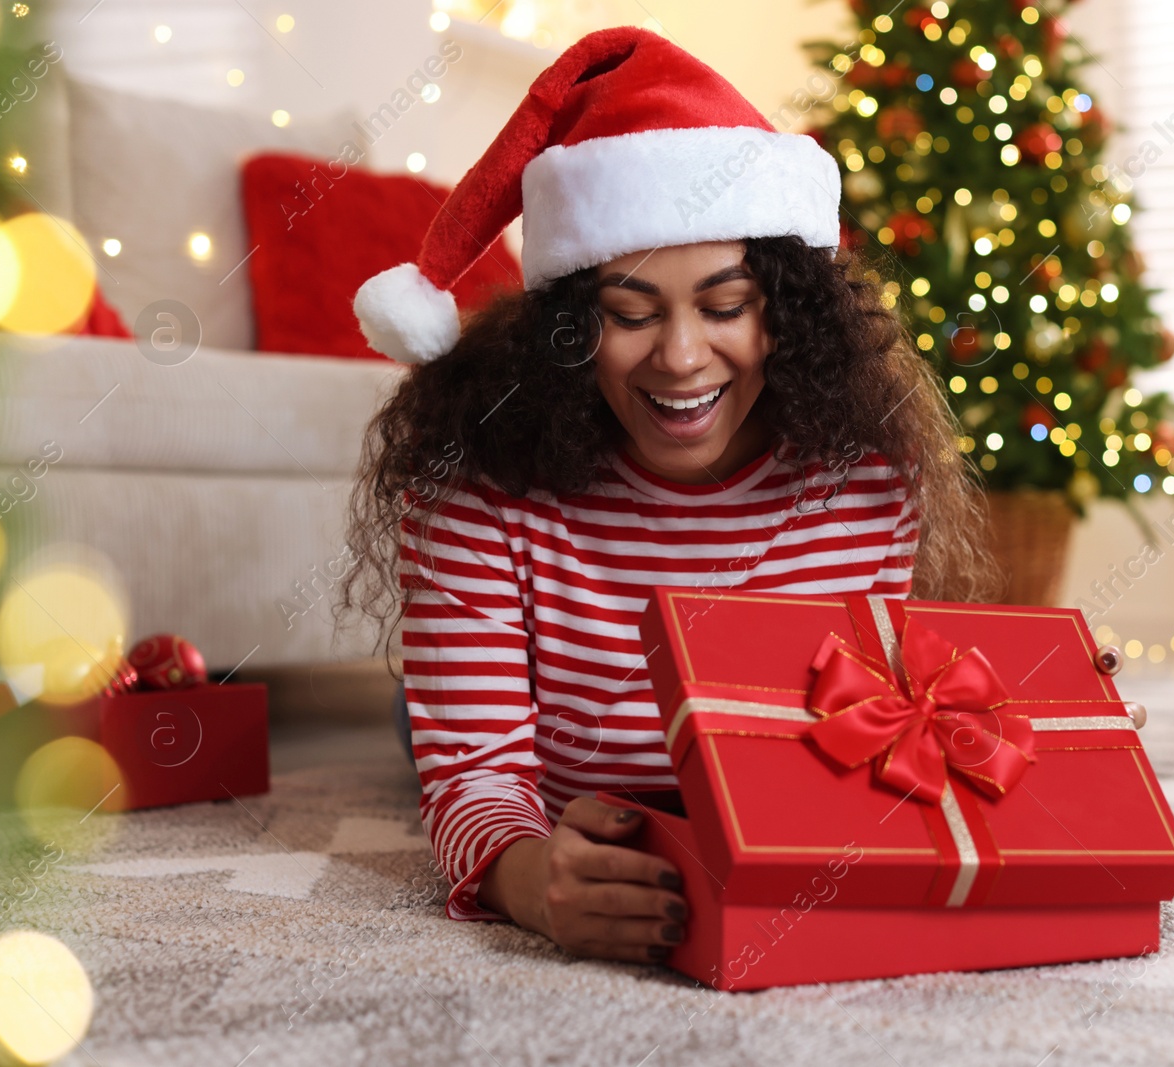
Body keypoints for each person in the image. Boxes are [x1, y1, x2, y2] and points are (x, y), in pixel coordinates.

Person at [342, 27, 999, 967]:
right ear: (568, 327)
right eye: (630, 314)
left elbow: (860, 726)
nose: (682, 358)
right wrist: (528, 876)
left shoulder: (863, 480)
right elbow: (481, 776)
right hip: (541, 739)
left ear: (785, 310)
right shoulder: (476, 485)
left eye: (725, 307)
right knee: (430, 735)